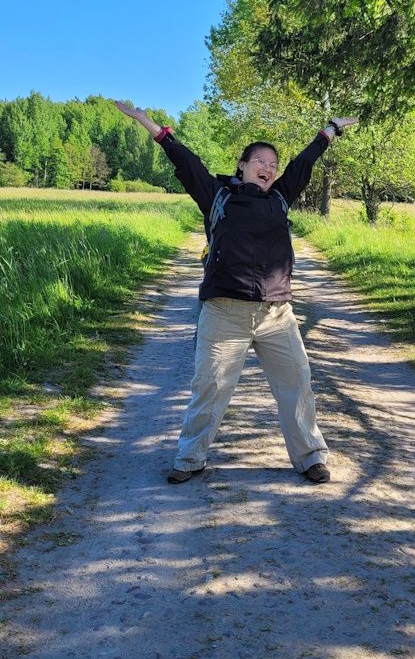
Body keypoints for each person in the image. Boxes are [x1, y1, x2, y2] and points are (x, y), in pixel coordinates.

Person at [115, 101, 358, 484]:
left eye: (273, 164)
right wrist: (148, 123)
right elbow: (185, 161)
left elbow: (304, 163)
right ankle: (190, 458)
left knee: (297, 384)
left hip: (277, 315)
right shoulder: (217, 195)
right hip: (224, 313)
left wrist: (331, 129)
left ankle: (310, 456)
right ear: (242, 165)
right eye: (260, 160)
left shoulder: (280, 197)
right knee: (210, 387)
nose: (268, 168)